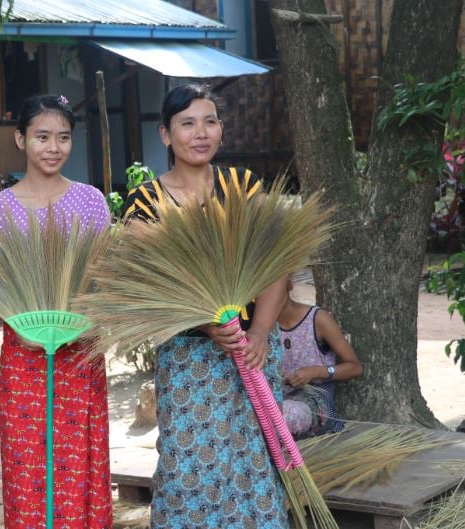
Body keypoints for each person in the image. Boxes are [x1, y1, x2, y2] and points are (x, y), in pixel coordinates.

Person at [121, 84, 291, 528]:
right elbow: (145, 287)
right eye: (187, 123)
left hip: (251, 355)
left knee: (253, 461)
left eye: (210, 121)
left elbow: (277, 264)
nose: (201, 133)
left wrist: (258, 333)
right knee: (189, 467)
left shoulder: (243, 187)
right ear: (165, 134)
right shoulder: (145, 202)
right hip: (189, 360)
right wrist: (203, 321)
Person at [0, 95, 113, 529]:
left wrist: (86, 321)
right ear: (21, 140)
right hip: (23, 359)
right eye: (42, 137)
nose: (53, 147)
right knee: (27, 463)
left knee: (80, 466)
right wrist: (19, 322)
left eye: (63, 137)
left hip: (81, 356)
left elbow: (108, 280)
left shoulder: (91, 203)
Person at [278, 275, 363, 438]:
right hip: (275, 399)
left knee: (285, 416)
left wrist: (316, 372)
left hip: (315, 401)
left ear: (288, 281)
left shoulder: (317, 319)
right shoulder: (257, 326)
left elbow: (355, 367)